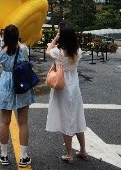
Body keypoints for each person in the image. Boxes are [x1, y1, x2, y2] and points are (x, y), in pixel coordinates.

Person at [0, 24, 35, 167]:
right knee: (23, 122)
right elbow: (23, 52)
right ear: (17, 37)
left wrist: (2, 41)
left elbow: (4, 50)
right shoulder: (22, 48)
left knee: (5, 121)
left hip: (6, 84)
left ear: (5, 37)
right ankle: (23, 157)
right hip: (20, 83)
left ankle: (4, 156)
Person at [45, 26, 88, 164]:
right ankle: (82, 150)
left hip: (61, 86)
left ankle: (69, 154)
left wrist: (56, 38)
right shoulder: (78, 51)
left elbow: (47, 51)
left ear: (62, 37)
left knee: (65, 119)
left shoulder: (58, 52)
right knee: (77, 117)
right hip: (74, 87)